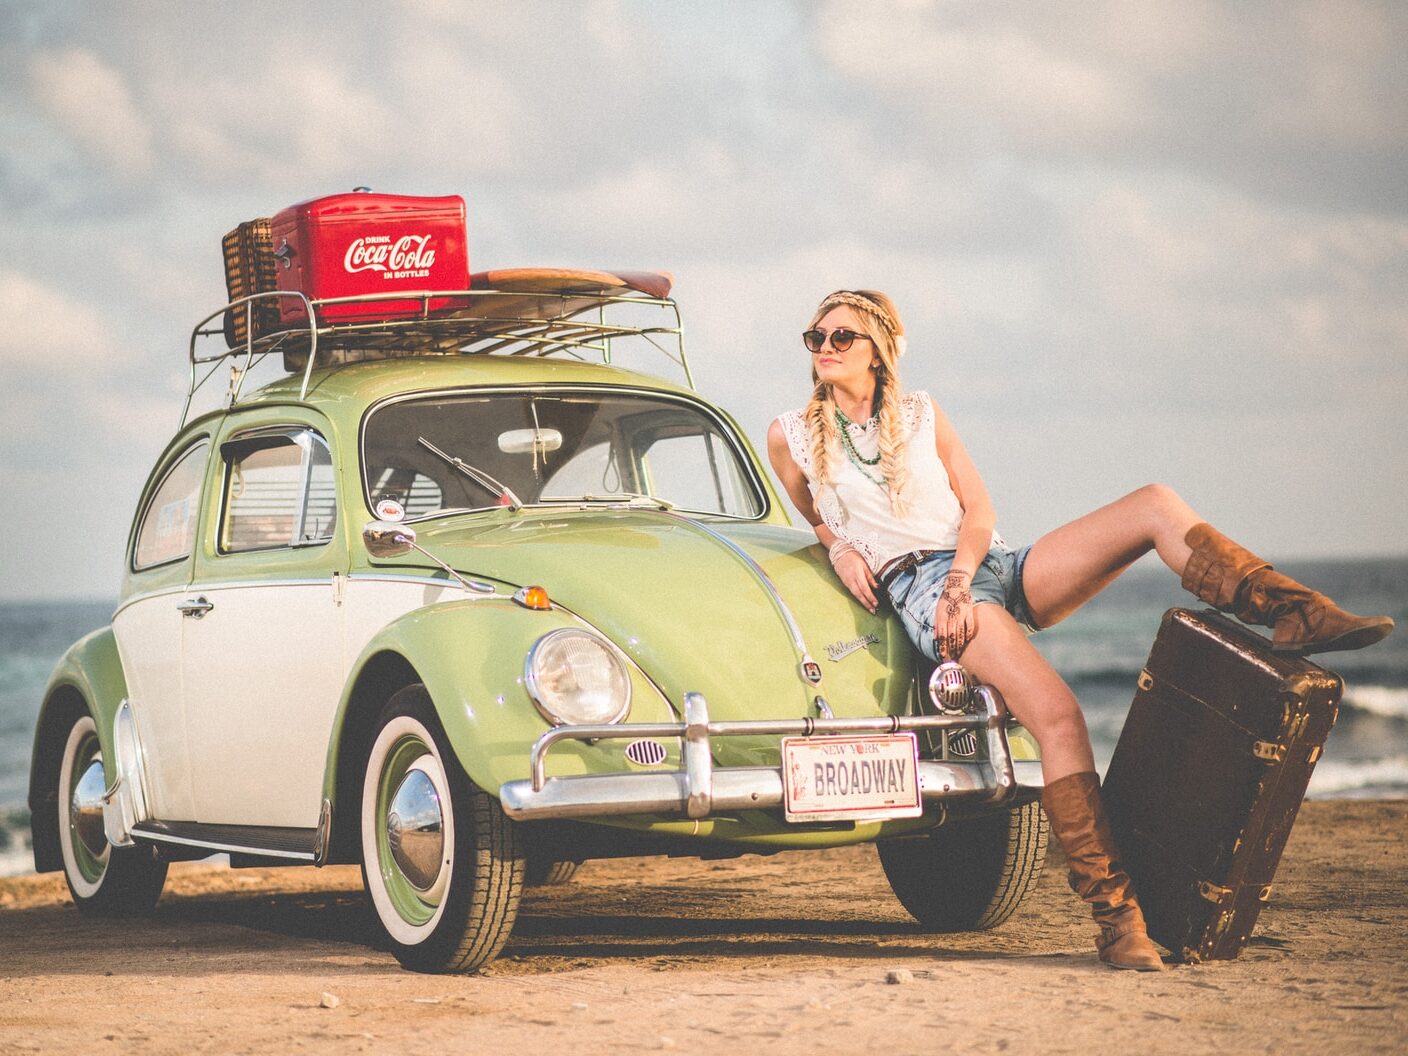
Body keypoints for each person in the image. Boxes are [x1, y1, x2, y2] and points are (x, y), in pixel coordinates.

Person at [767, 288, 1394, 972]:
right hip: (925, 591)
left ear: (880, 352)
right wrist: (839, 546)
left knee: (1154, 504)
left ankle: (1291, 609)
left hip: (985, 567)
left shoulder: (921, 414)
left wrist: (965, 576)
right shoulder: (791, 435)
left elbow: (977, 508)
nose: (823, 349)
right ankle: (1117, 921)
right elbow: (818, 515)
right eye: (816, 337)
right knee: (1060, 717)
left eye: (840, 338)